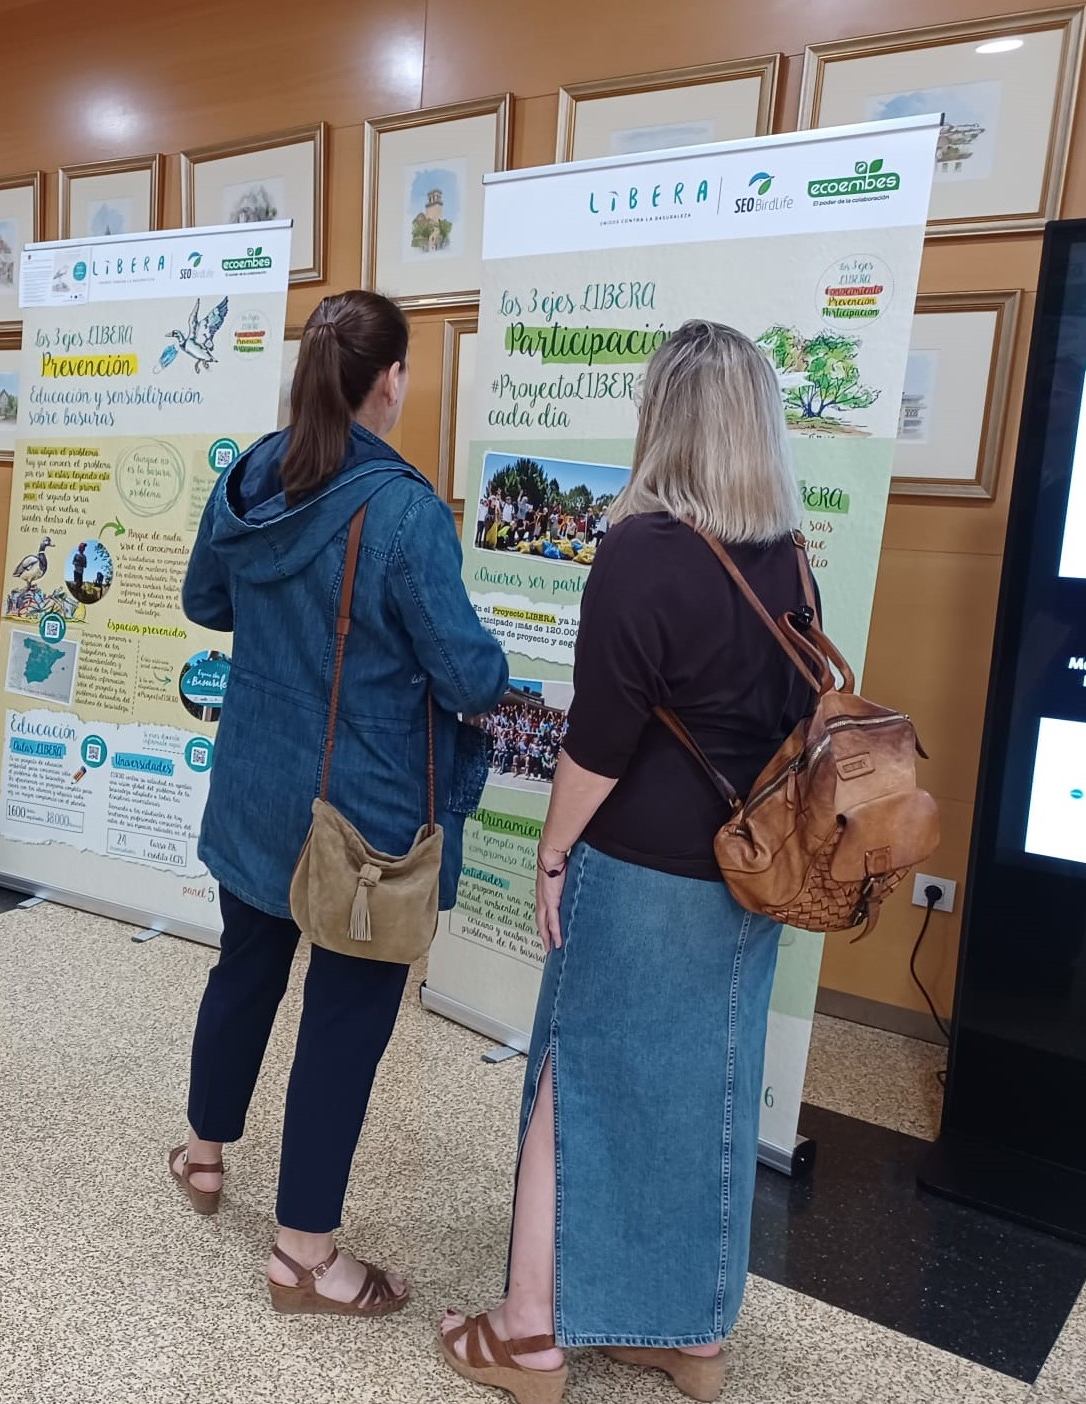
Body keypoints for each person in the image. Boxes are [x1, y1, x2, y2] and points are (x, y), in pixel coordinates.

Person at [440, 321, 816, 1404]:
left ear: (663, 420)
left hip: (641, 871)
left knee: (576, 1082)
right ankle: (687, 1335)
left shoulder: (640, 552)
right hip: (749, 879)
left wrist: (552, 852)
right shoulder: (785, 555)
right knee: (709, 1096)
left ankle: (526, 1337)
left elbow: (598, 743)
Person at [170, 290, 508, 1316]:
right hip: (358, 819)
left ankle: (200, 1156)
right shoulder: (405, 513)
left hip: (255, 789)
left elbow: (204, 601)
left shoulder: (250, 476)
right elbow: (468, 676)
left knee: (244, 971)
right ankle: (303, 1257)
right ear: (388, 380)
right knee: (345, 1023)